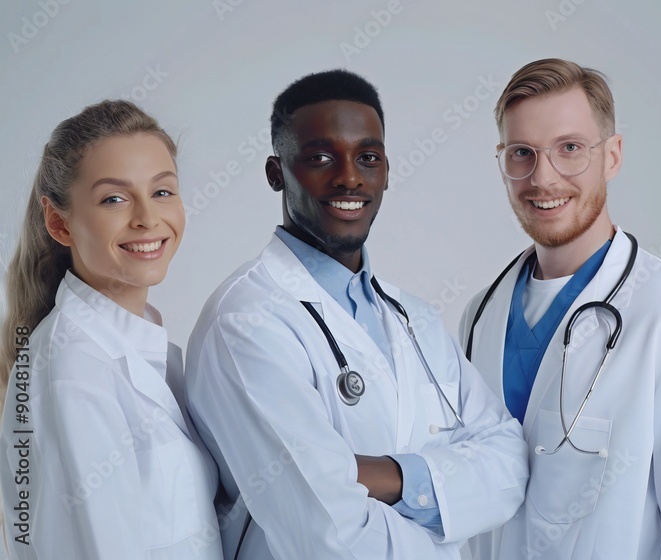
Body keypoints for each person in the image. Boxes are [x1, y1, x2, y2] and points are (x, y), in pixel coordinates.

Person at [184, 70, 528, 560]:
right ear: (276, 172)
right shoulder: (246, 323)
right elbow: (325, 535)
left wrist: (385, 475)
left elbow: (510, 465)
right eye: (321, 157)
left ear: (386, 170)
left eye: (368, 157)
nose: (349, 177)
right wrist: (444, 494)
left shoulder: (415, 318)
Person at [460, 58, 661, 559]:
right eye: (522, 153)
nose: (543, 178)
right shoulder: (480, 316)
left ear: (612, 156)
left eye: (570, 149)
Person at [0, 100, 222, 559]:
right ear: (59, 222)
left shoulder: (144, 346)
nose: (147, 218)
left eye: (162, 191)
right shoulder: (74, 374)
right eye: (114, 199)